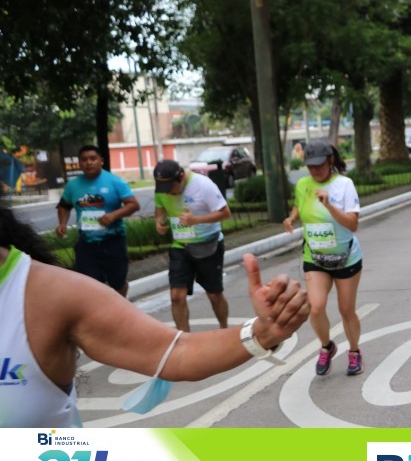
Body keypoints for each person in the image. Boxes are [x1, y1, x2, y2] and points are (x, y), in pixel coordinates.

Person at [0, 206, 309, 428]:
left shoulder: (54, 294)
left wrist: (261, 334)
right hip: (180, 252)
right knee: (177, 295)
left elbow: (176, 352)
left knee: (202, 294)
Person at [283, 141, 364, 376]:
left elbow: (353, 224)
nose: (315, 170)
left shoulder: (344, 185)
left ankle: (354, 352)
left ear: (330, 161)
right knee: (316, 307)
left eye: (319, 165)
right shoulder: (303, 184)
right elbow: (299, 205)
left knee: (346, 310)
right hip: (315, 257)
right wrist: (291, 218)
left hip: (346, 257)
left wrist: (329, 206)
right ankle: (327, 347)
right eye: (310, 166)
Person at [154, 159, 231, 332]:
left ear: (181, 177)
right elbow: (160, 208)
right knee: (176, 295)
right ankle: (184, 338)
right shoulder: (162, 189)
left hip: (208, 245)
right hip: (180, 246)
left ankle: (224, 329)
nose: (169, 193)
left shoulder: (203, 185)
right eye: (164, 189)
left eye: (171, 188)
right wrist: (159, 221)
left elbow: (225, 213)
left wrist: (196, 220)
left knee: (214, 294)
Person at [55, 145, 139, 296]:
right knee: (90, 285)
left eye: (93, 159)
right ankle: (100, 310)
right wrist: (62, 223)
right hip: (86, 244)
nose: (88, 163)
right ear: (79, 163)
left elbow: (133, 205)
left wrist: (113, 215)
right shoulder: (73, 185)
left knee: (118, 283)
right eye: (84, 160)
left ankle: (120, 305)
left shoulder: (115, 181)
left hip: (113, 241)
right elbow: (64, 206)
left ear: (101, 161)